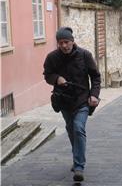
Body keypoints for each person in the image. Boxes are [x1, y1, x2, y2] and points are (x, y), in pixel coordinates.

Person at [43, 27, 101, 182]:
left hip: (82, 99)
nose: (63, 46)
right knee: (70, 129)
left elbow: (95, 77)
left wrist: (94, 95)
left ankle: (79, 167)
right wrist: (56, 79)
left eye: (66, 42)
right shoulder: (52, 58)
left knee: (78, 127)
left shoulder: (85, 55)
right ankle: (77, 157)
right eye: (60, 43)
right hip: (63, 100)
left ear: (72, 41)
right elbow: (47, 75)